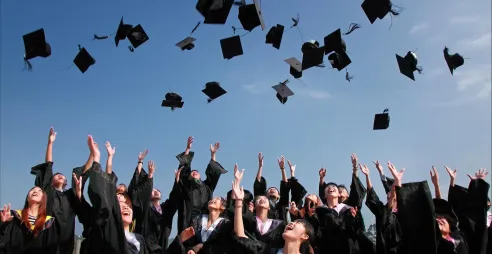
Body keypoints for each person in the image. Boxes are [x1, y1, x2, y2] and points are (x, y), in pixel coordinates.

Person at [230, 169, 314, 254]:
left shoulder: (280, 222)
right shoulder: (268, 250)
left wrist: (285, 170)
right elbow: (241, 237)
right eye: (259, 199)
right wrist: (238, 200)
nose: (291, 223)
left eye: (297, 223)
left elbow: (285, 192)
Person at [173, 136, 228, 234]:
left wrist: (213, 154)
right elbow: (184, 170)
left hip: (204, 221)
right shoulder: (187, 186)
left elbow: (213, 172)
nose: (194, 172)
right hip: (187, 220)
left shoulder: (207, 186)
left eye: (196, 172)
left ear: (200, 176)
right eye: (192, 172)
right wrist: (188, 149)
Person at [0, 186, 57, 253]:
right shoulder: (13, 216)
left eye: (39, 191)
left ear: (43, 199)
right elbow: (2, 240)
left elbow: (52, 247)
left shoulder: (49, 222)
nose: (35, 191)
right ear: (27, 198)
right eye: (32, 190)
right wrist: (3, 223)